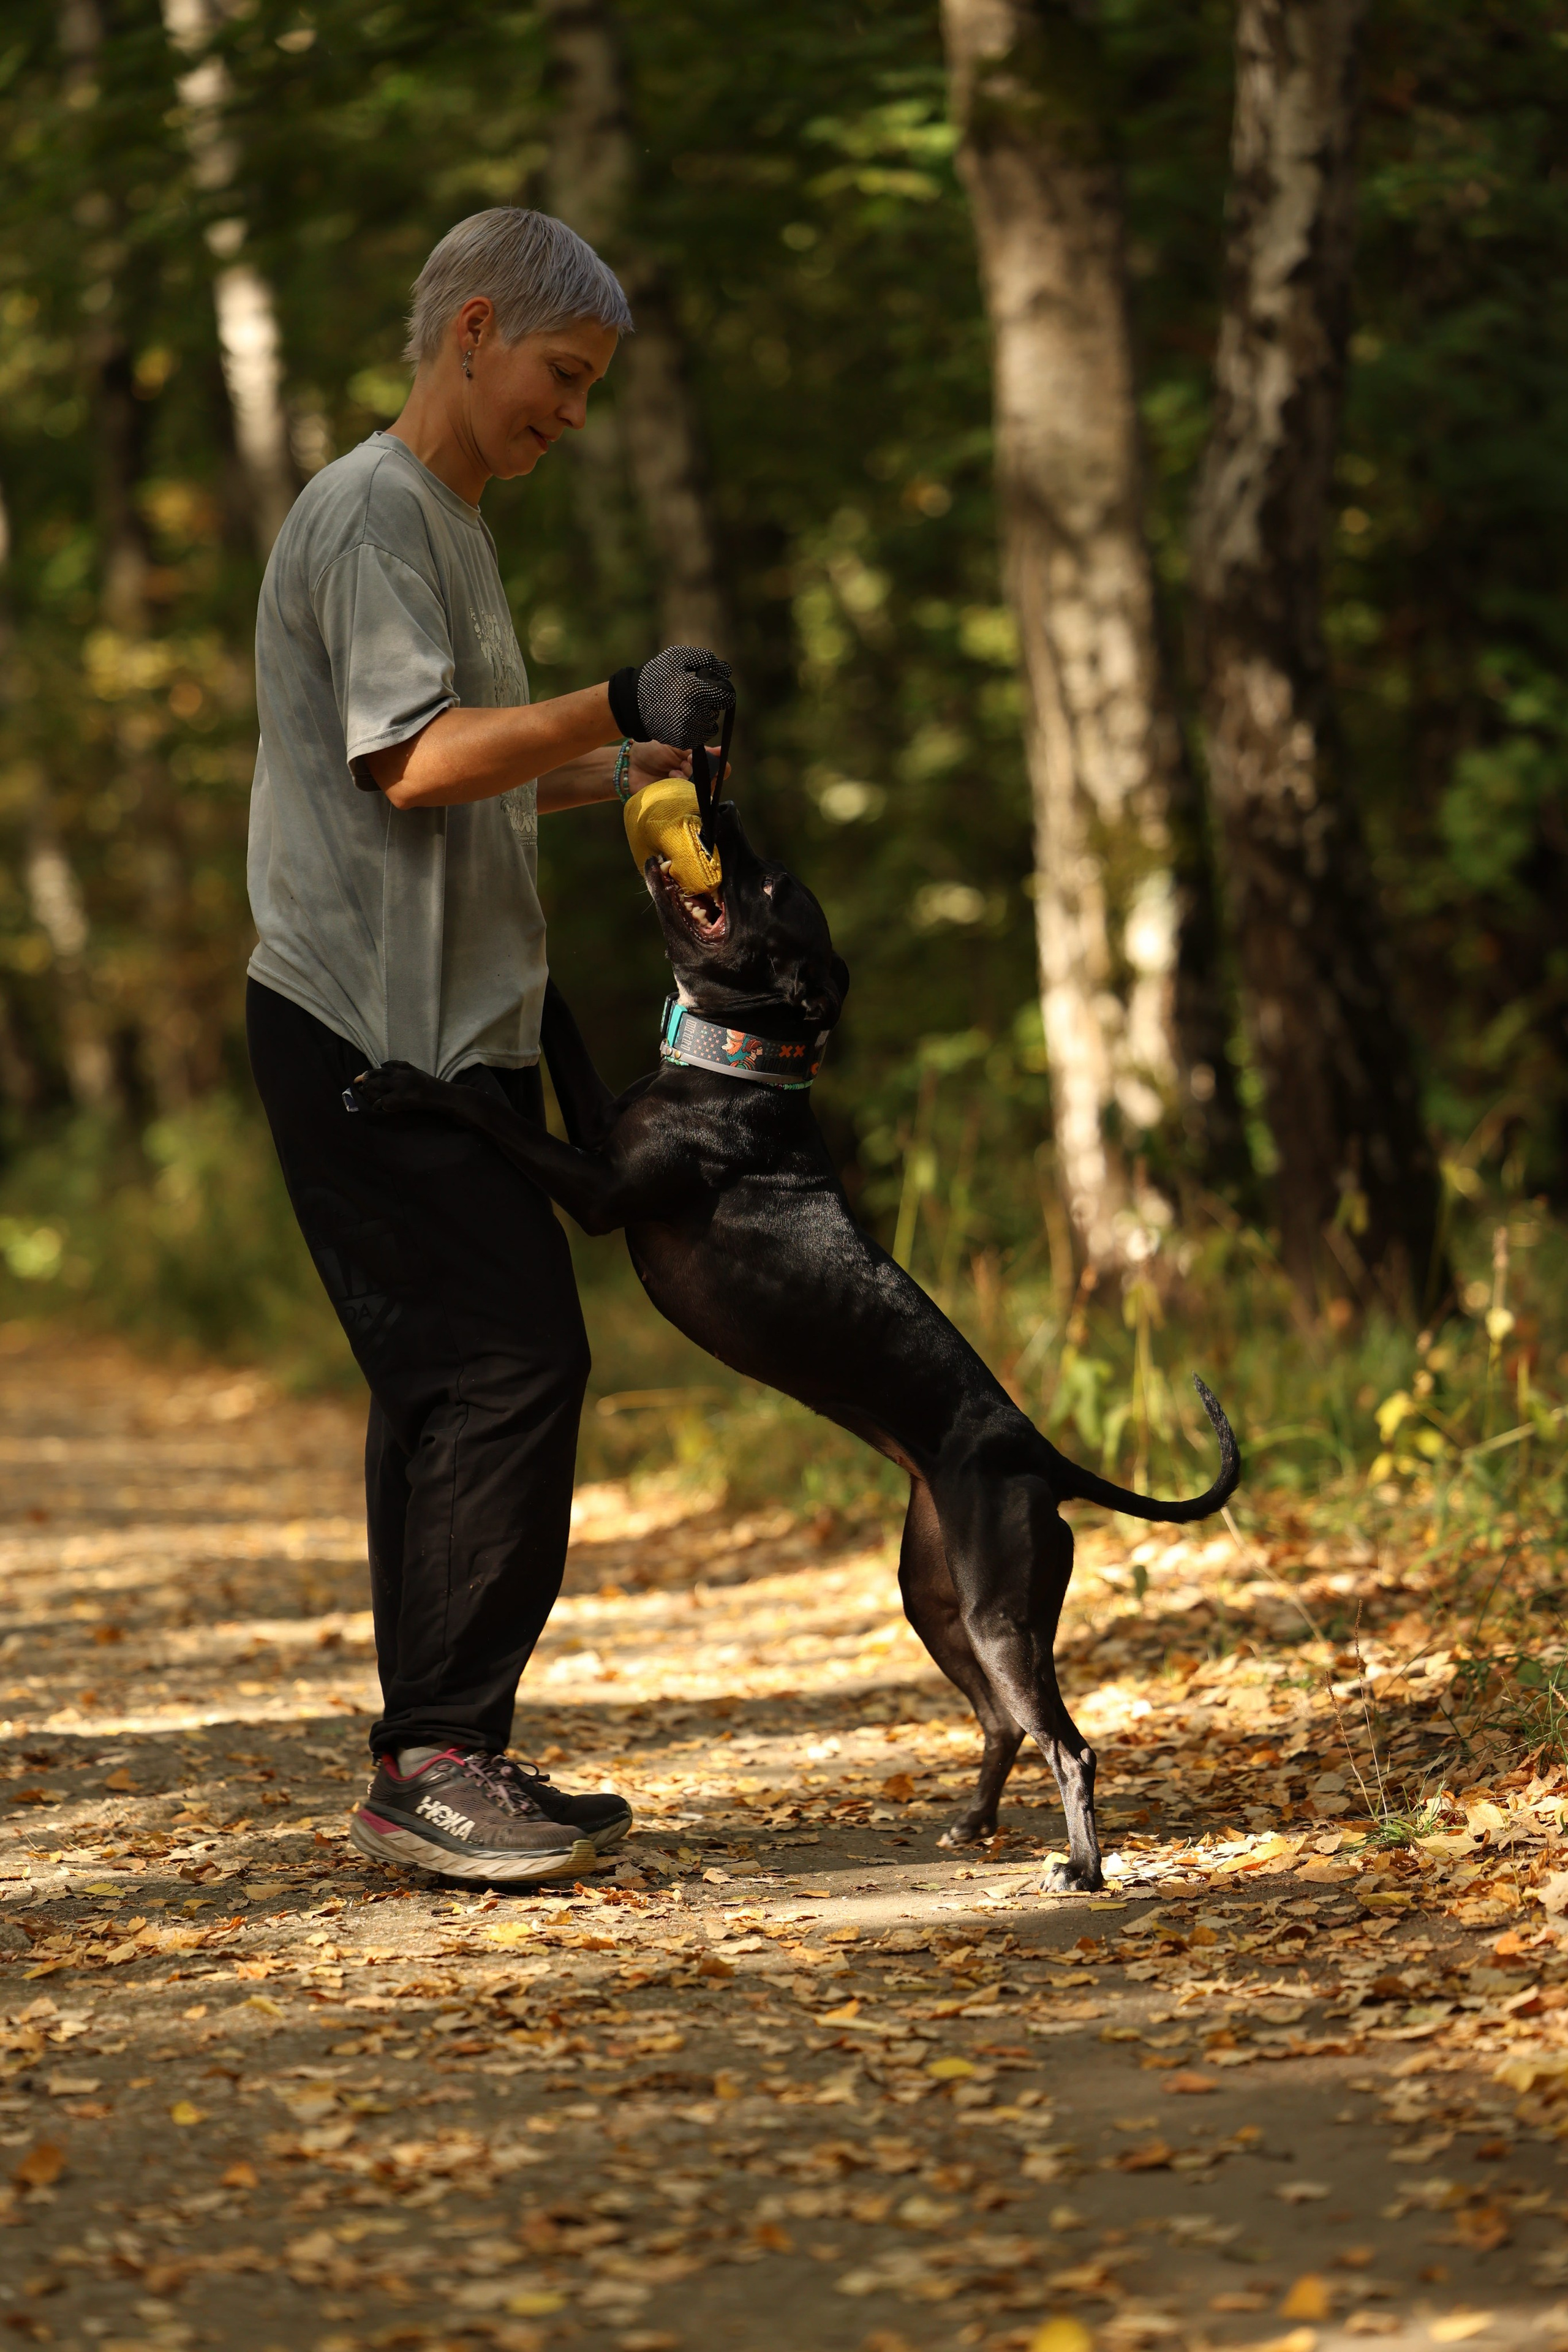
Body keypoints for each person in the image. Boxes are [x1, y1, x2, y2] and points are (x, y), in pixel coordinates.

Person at [244, 208, 733, 1883]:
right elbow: (414, 766)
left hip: (435, 1034)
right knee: (510, 1367)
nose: (572, 414)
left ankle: (440, 1752)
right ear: (469, 330)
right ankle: (437, 1762)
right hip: (370, 1029)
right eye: (561, 376)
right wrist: (610, 699)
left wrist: (633, 763)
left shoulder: (437, 520)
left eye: (591, 388)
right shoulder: (376, 515)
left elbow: (484, 764)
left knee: (451, 1388)